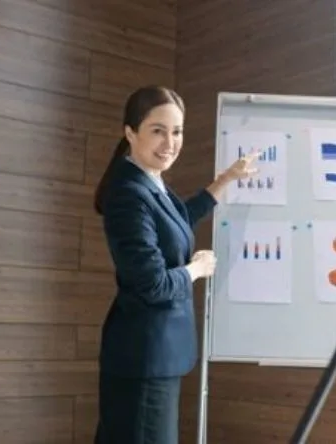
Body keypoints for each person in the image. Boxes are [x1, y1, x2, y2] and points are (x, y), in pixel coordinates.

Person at [92, 85, 258, 444]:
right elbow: (152, 284)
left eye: (177, 131)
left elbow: (179, 217)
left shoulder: (148, 180)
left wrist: (225, 180)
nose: (170, 142)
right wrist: (196, 269)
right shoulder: (128, 194)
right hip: (143, 360)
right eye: (158, 130)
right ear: (130, 133)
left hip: (154, 356)